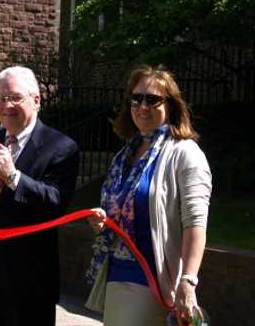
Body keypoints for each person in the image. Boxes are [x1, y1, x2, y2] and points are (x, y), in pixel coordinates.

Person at [0, 65, 80, 326]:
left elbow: (56, 202)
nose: (6, 105)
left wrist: (13, 178)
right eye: (1, 98)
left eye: (15, 97)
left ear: (36, 100)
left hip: (30, 282)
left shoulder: (61, 147)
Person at [85, 65, 212, 325]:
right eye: (136, 98)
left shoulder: (185, 153)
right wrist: (103, 220)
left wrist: (188, 280)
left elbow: (195, 223)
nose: (142, 106)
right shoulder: (125, 155)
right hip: (115, 275)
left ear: (171, 106)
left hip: (153, 280)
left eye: (152, 100)